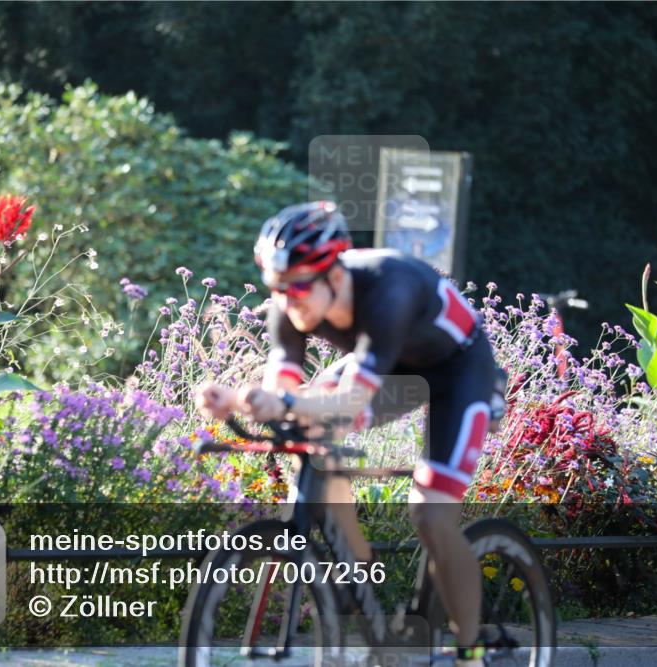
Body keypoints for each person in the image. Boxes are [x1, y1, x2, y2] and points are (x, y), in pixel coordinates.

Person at [196, 201, 506, 666]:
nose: (286, 299)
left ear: (335, 276)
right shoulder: (291, 305)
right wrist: (241, 401)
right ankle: (362, 584)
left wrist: (276, 401)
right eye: (276, 287)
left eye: (299, 286)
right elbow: (282, 394)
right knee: (308, 429)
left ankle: (471, 648)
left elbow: (350, 401)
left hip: (458, 371)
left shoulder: (389, 287)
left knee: (430, 514)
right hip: (389, 366)